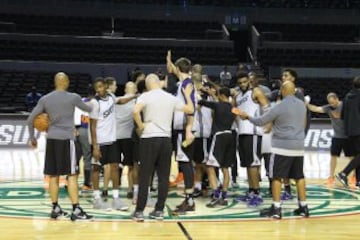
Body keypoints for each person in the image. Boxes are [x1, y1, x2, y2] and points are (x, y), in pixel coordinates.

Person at [234, 81, 309, 219]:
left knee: (276, 176)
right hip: (298, 146)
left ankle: (276, 208)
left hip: (282, 147)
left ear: (283, 90)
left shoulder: (280, 106)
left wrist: (248, 117)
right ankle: (303, 207)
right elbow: (304, 124)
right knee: (299, 176)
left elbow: (261, 121)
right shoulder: (302, 105)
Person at [27, 72, 93, 221]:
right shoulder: (73, 97)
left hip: (52, 139)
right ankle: (76, 209)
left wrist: (32, 138)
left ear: (56, 82)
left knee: (53, 175)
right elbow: (89, 109)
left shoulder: (45, 99)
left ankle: (55, 207)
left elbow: (30, 119)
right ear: (67, 82)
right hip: (67, 140)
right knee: (72, 175)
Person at [131, 74, 194, 221]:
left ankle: (139, 211)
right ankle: (159, 210)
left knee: (145, 176)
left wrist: (140, 126)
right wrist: (187, 95)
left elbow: (135, 111)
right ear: (159, 83)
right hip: (166, 140)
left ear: (147, 85)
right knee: (163, 177)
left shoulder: (145, 96)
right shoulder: (170, 98)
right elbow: (190, 109)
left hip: (149, 138)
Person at [89, 77, 128, 211]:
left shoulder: (111, 96)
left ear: (105, 86)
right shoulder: (94, 103)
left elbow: (121, 101)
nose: (98, 90)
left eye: (100, 87)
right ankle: (97, 199)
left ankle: (116, 198)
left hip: (112, 140)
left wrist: (134, 96)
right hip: (99, 141)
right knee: (96, 169)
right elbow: (92, 126)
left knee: (115, 167)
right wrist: (95, 146)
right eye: (96, 88)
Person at [167, 51, 197, 214]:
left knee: (185, 164)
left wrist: (188, 129)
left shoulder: (186, 84)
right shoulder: (183, 83)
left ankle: (190, 201)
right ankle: (188, 199)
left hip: (184, 130)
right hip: (182, 129)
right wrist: (169, 61)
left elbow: (191, 108)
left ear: (178, 68)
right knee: (183, 163)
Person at [234, 72, 268, 207]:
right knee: (248, 164)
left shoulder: (256, 91)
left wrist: (266, 123)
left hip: (253, 132)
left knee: (253, 164)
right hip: (242, 133)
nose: (242, 84)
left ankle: (257, 193)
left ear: (249, 81)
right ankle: (251, 191)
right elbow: (236, 111)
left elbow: (267, 108)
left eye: (244, 82)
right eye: (240, 83)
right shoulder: (238, 96)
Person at [198, 87, 236, 207]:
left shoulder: (217, 105)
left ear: (220, 95)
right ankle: (224, 196)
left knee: (210, 167)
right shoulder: (233, 108)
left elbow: (202, 102)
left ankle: (215, 195)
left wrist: (198, 95)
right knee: (225, 168)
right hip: (230, 136)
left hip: (219, 136)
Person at [307, 93, 354, 186]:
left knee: (352, 158)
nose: (332, 105)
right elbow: (316, 109)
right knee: (333, 157)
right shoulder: (328, 108)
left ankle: (354, 176)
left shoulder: (345, 105)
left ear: (337, 99)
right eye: (330, 103)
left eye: (333, 102)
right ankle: (331, 177)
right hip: (337, 136)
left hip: (348, 136)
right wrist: (305, 104)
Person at [336, 76, 360, 188]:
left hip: (350, 131)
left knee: (357, 156)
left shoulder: (346, 97)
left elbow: (342, 116)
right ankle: (344, 173)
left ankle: (359, 181)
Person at [115, 81, 137, 198]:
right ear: (135, 90)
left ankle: (114, 190)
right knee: (131, 165)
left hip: (116, 136)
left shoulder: (117, 100)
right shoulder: (136, 102)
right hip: (129, 137)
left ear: (124, 90)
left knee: (114, 165)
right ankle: (130, 189)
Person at [73, 85, 94, 191]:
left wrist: (74, 128)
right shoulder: (95, 103)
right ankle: (87, 183)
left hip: (77, 129)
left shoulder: (80, 101)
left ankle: (71, 181)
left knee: (76, 157)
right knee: (87, 157)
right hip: (87, 129)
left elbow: (74, 116)